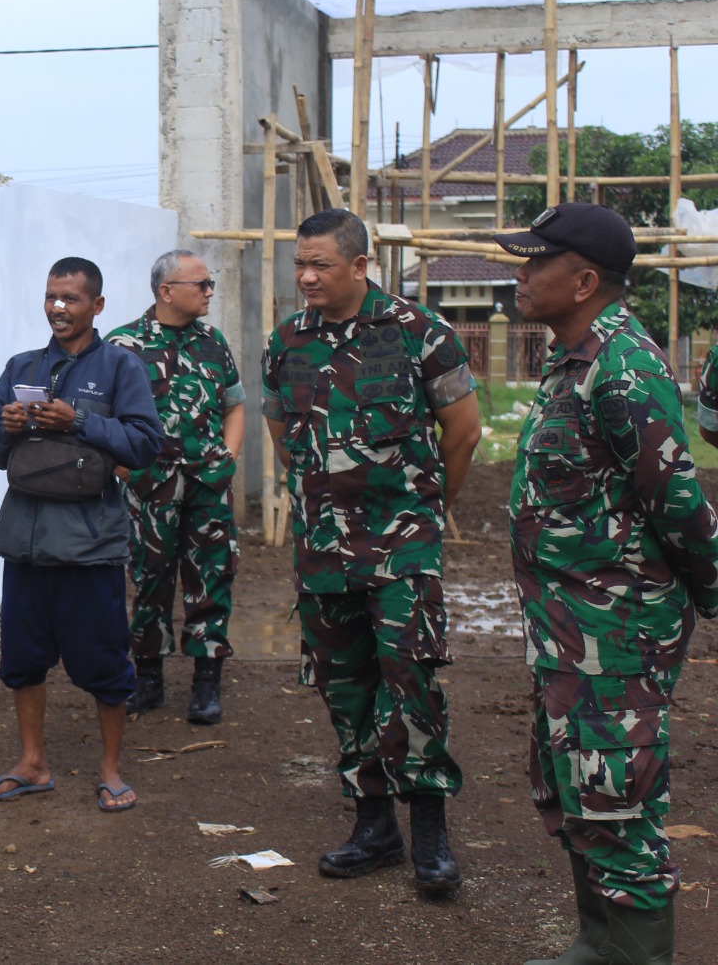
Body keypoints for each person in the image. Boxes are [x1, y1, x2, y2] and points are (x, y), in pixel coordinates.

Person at [499, 203, 718, 965]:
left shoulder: (624, 367)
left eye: (537, 261)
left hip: (617, 633)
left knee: (617, 796)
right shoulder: (576, 361)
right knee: (579, 788)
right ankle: (599, 943)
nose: (522, 273)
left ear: (585, 281)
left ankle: (637, 955)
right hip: (570, 630)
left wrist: (709, 594)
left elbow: (679, 503)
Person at [262, 208, 481, 892]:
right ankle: (374, 825)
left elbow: (464, 431)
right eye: (300, 264)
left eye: (320, 264)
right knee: (345, 686)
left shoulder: (419, 332)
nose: (306, 277)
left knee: (410, 680)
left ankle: (430, 833)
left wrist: (427, 508)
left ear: (359, 265)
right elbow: (282, 430)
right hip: (322, 551)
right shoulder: (287, 340)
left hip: (401, 547)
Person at [0, 258, 164, 813]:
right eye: (51, 296)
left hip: (89, 548)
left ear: (97, 306)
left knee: (104, 663)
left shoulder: (121, 368)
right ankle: (32, 764)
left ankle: (111, 771)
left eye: (71, 298)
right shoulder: (22, 365)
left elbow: (145, 444)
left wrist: (77, 421)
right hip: (26, 545)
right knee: (22, 661)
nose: (58, 308)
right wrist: (7, 429)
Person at [107, 250, 245, 721]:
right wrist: (124, 469)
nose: (210, 292)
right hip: (151, 486)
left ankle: (207, 684)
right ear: (167, 291)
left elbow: (234, 404)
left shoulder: (213, 341)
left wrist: (228, 457)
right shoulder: (123, 345)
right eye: (201, 284)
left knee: (212, 578)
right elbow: (103, 416)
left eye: (210, 284)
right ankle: (149, 680)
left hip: (209, 483)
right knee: (150, 579)